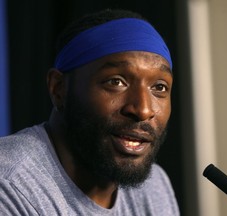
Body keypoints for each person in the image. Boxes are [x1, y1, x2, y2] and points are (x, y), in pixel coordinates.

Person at [0, 9, 180, 215]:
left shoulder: (154, 185)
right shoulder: (9, 185)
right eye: (116, 82)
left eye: (159, 87)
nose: (143, 109)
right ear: (58, 89)